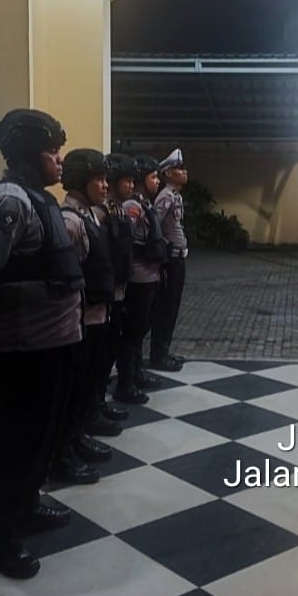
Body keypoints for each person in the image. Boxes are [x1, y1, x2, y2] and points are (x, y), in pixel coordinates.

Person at [0, 108, 82, 580]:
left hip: (51, 342)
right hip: (22, 346)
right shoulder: (9, 202)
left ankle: (26, 507)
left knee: (39, 438)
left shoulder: (39, 199)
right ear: (30, 155)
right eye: (52, 152)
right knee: (15, 443)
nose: (59, 160)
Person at [57, 149, 120, 471]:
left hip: (96, 314)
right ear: (81, 181)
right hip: (81, 319)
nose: (105, 186)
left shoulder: (90, 215)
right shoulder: (70, 221)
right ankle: (64, 450)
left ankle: (78, 434)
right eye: (99, 179)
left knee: (88, 381)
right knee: (74, 387)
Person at [117, 155, 166, 397]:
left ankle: (136, 373)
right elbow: (127, 244)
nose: (157, 181)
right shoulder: (132, 206)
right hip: (138, 279)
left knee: (140, 331)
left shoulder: (144, 203)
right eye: (153, 177)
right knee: (132, 333)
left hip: (150, 277)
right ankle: (126, 382)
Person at [105, 153, 149, 405]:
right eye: (126, 180)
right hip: (108, 290)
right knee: (107, 347)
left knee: (122, 339)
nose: (131, 185)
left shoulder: (117, 209)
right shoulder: (106, 211)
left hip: (121, 286)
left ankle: (125, 383)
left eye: (133, 181)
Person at [150, 148, 190, 371]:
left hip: (178, 260)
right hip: (170, 261)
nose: (184, 172)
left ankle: (164, 350)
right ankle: (158, 355)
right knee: (165, 308)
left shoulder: (175, 196)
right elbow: (154, 226)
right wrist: (166, 247)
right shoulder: (165, 197)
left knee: (172, 308)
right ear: (168, 173)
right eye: (179, 168)